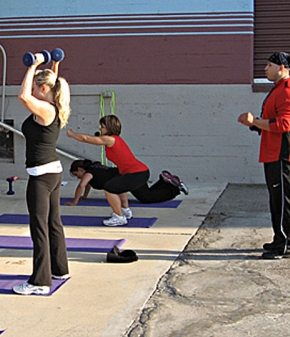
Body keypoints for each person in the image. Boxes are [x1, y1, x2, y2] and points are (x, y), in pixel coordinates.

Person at [237, 52, 290, 260]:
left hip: (285, 156)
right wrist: (254, 124)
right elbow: (269, 122)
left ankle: (285, 245)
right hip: (272, 154)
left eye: (269, 65)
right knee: (277, 202)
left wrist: (255, 121)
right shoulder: (277, 91)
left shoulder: (289, 92)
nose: (265, 69)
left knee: (285, 202)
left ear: (282, 68)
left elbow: (285, 124)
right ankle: (279, 239)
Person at [12, 52, 71, 296]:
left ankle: (39, 282)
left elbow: (23, 95)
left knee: (40, 228)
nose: (32, 88)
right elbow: (50, 83)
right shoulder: (54, 104)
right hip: (52, 173)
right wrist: (53, 65)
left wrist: (34, 65)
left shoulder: (46, 109)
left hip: (42, 177)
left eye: (37, 85)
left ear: (43, 88)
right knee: (53, 223)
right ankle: (59, 269)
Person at [67, 115, 188, 227]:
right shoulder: (114, 140)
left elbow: (86, 138)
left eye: (102, 127)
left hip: (136, 174)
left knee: (109, 188)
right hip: (139, 172)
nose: (100, 128)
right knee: (146, 196)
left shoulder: (111, 140)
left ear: (109, 128)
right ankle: (170, 186)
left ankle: (119, 217)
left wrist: (72, 134)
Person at [65, 159, 187, 212]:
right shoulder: (93, 168)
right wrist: (84, 197)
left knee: (146, 198)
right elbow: (87, 186)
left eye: (77, 174)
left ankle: (175, 189)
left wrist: (75, 202)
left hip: (128, 178)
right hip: (129, 174)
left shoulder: (89, 173)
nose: (78, 177)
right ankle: (164, 181)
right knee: (147, 192)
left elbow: (81, 185)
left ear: (81, 169)